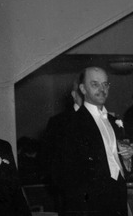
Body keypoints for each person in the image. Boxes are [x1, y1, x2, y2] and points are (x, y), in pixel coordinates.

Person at [59, 67, 133, 216]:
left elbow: (114, 159)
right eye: (95, 84)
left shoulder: (114, 121)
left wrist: (127, 158)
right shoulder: (70, 123)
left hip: (117, 196)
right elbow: (63, 173)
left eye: (105, 84)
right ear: (83, 89)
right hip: (89, 204)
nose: (102, 89)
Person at [43, 84, 83, 214]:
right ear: (74, 94)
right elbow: (49, 158)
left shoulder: (102, 119)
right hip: (69, 192)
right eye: (81, 91)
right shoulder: (58, 122)